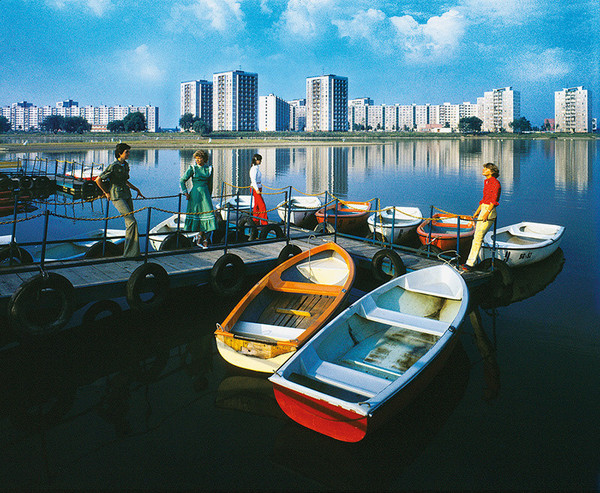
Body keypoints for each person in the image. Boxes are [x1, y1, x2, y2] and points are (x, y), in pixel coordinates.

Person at [95, 143, 145, 258]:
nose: (128, 154)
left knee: (130, 224)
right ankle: (131, 253)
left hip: (126, 194)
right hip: (117, 196)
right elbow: (98, 180)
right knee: (132, 222)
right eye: (126, 152)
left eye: (128, 152)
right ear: (120, 153)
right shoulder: (113, 166)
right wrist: (106, 192)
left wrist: (136, 189)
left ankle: (130, 253)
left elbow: (125, 181)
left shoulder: (126, 165)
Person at [462, 162, 501, 271]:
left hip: (489, 211)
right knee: (476, 237)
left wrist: (486, 213)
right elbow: (484, 199)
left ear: (492, 171)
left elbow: (493, 200)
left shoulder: (495, 183)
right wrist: (477, 211)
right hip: (484, 209)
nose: (483, 170)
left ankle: (470, 263)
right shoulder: (487, 182)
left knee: (478, 236)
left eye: (486, 168)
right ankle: (472, 260)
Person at [180, 149, 217, 247]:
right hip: (195, 195)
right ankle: (202, 237)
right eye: (196, 159)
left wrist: (209, 195)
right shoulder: (192, 168)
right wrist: (186, 193)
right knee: (198, 217)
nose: (197, 160)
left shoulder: (209, 169)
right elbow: (182, 180)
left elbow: (210, 184)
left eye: (199, 158)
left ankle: (201, 236)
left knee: (208, 215)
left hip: (205, 195)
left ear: (204, 159)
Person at [249, 153, 268, 225]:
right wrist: (256, 189)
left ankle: (255, 221)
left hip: (258, 188)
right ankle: (264, 223)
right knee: (262, 206)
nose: (260, 161)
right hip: (255, 188)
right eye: (259, 160)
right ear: (256, 160)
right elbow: (253, 180)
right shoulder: (253, 169)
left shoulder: (256, 168)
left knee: (256, 206)